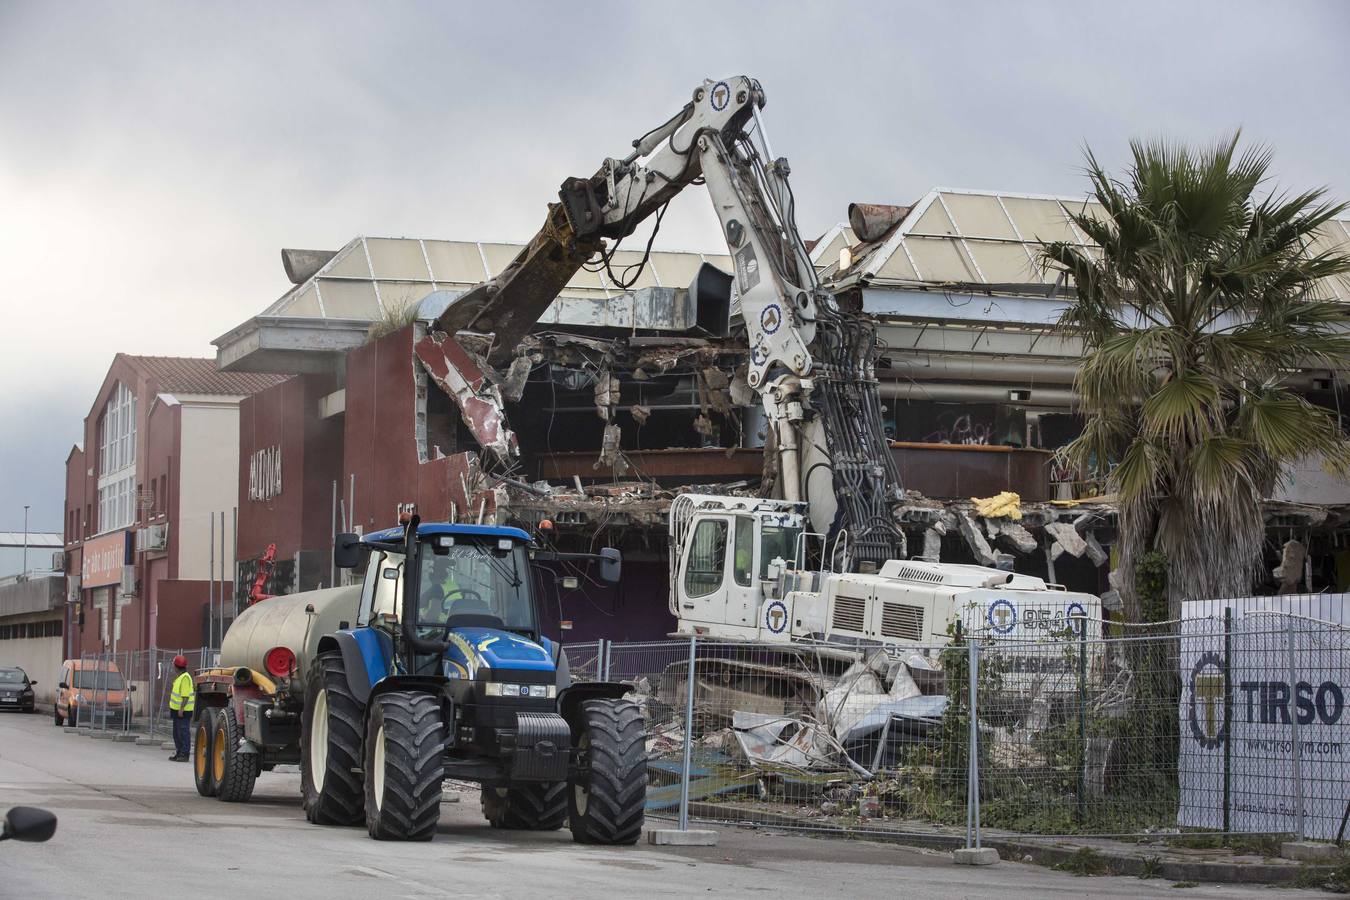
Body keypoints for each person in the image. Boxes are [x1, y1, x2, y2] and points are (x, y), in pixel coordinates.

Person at [168, 655, 195, 762]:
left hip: (183, 711)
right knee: (176, 733)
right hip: (177, 711)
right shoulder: (181, 677)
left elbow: (185, 696)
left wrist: (181, 709)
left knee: (183, 732)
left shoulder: (184, 678)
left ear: (176, 666)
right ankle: (179, 752)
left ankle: (184, 754)